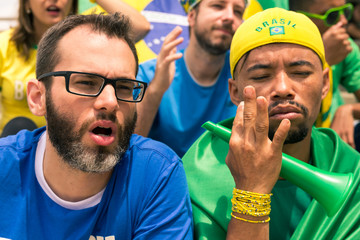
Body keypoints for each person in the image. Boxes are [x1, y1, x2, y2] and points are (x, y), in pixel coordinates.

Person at [0, 13, 193, 239]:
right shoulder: (5, 166)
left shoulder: (156, 174)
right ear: (38, 97)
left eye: (124, 87)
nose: (110, 102)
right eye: (86, 83)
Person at [182, 8, 360, 239]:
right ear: (234, 91)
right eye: (261, 76)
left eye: (301, 72)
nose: (283, 89)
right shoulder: (196, 177)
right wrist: (251, 192)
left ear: (325, 83)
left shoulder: (350, 169)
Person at [0, 0, 150, 137]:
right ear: (26, 4)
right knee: (20, 126)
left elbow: (140, 27)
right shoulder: (5, 45)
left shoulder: (88, 40)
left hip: (72, 139)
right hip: (16, 142)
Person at [135, 0, 246, 157]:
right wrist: (155, 91)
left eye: (238, 12)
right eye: (218, 6)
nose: (230, 17)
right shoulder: (149, 74)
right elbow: (127, 150)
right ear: (192, 16)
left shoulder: (247, 76)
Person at [288, 0, 360, 151]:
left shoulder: (344, 47)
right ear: (301, 18)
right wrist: (322, 60)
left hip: (337, 141)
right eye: (332, 15)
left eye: (345, 11)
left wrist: (350, 110)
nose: (343, 21)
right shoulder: (280, 53)